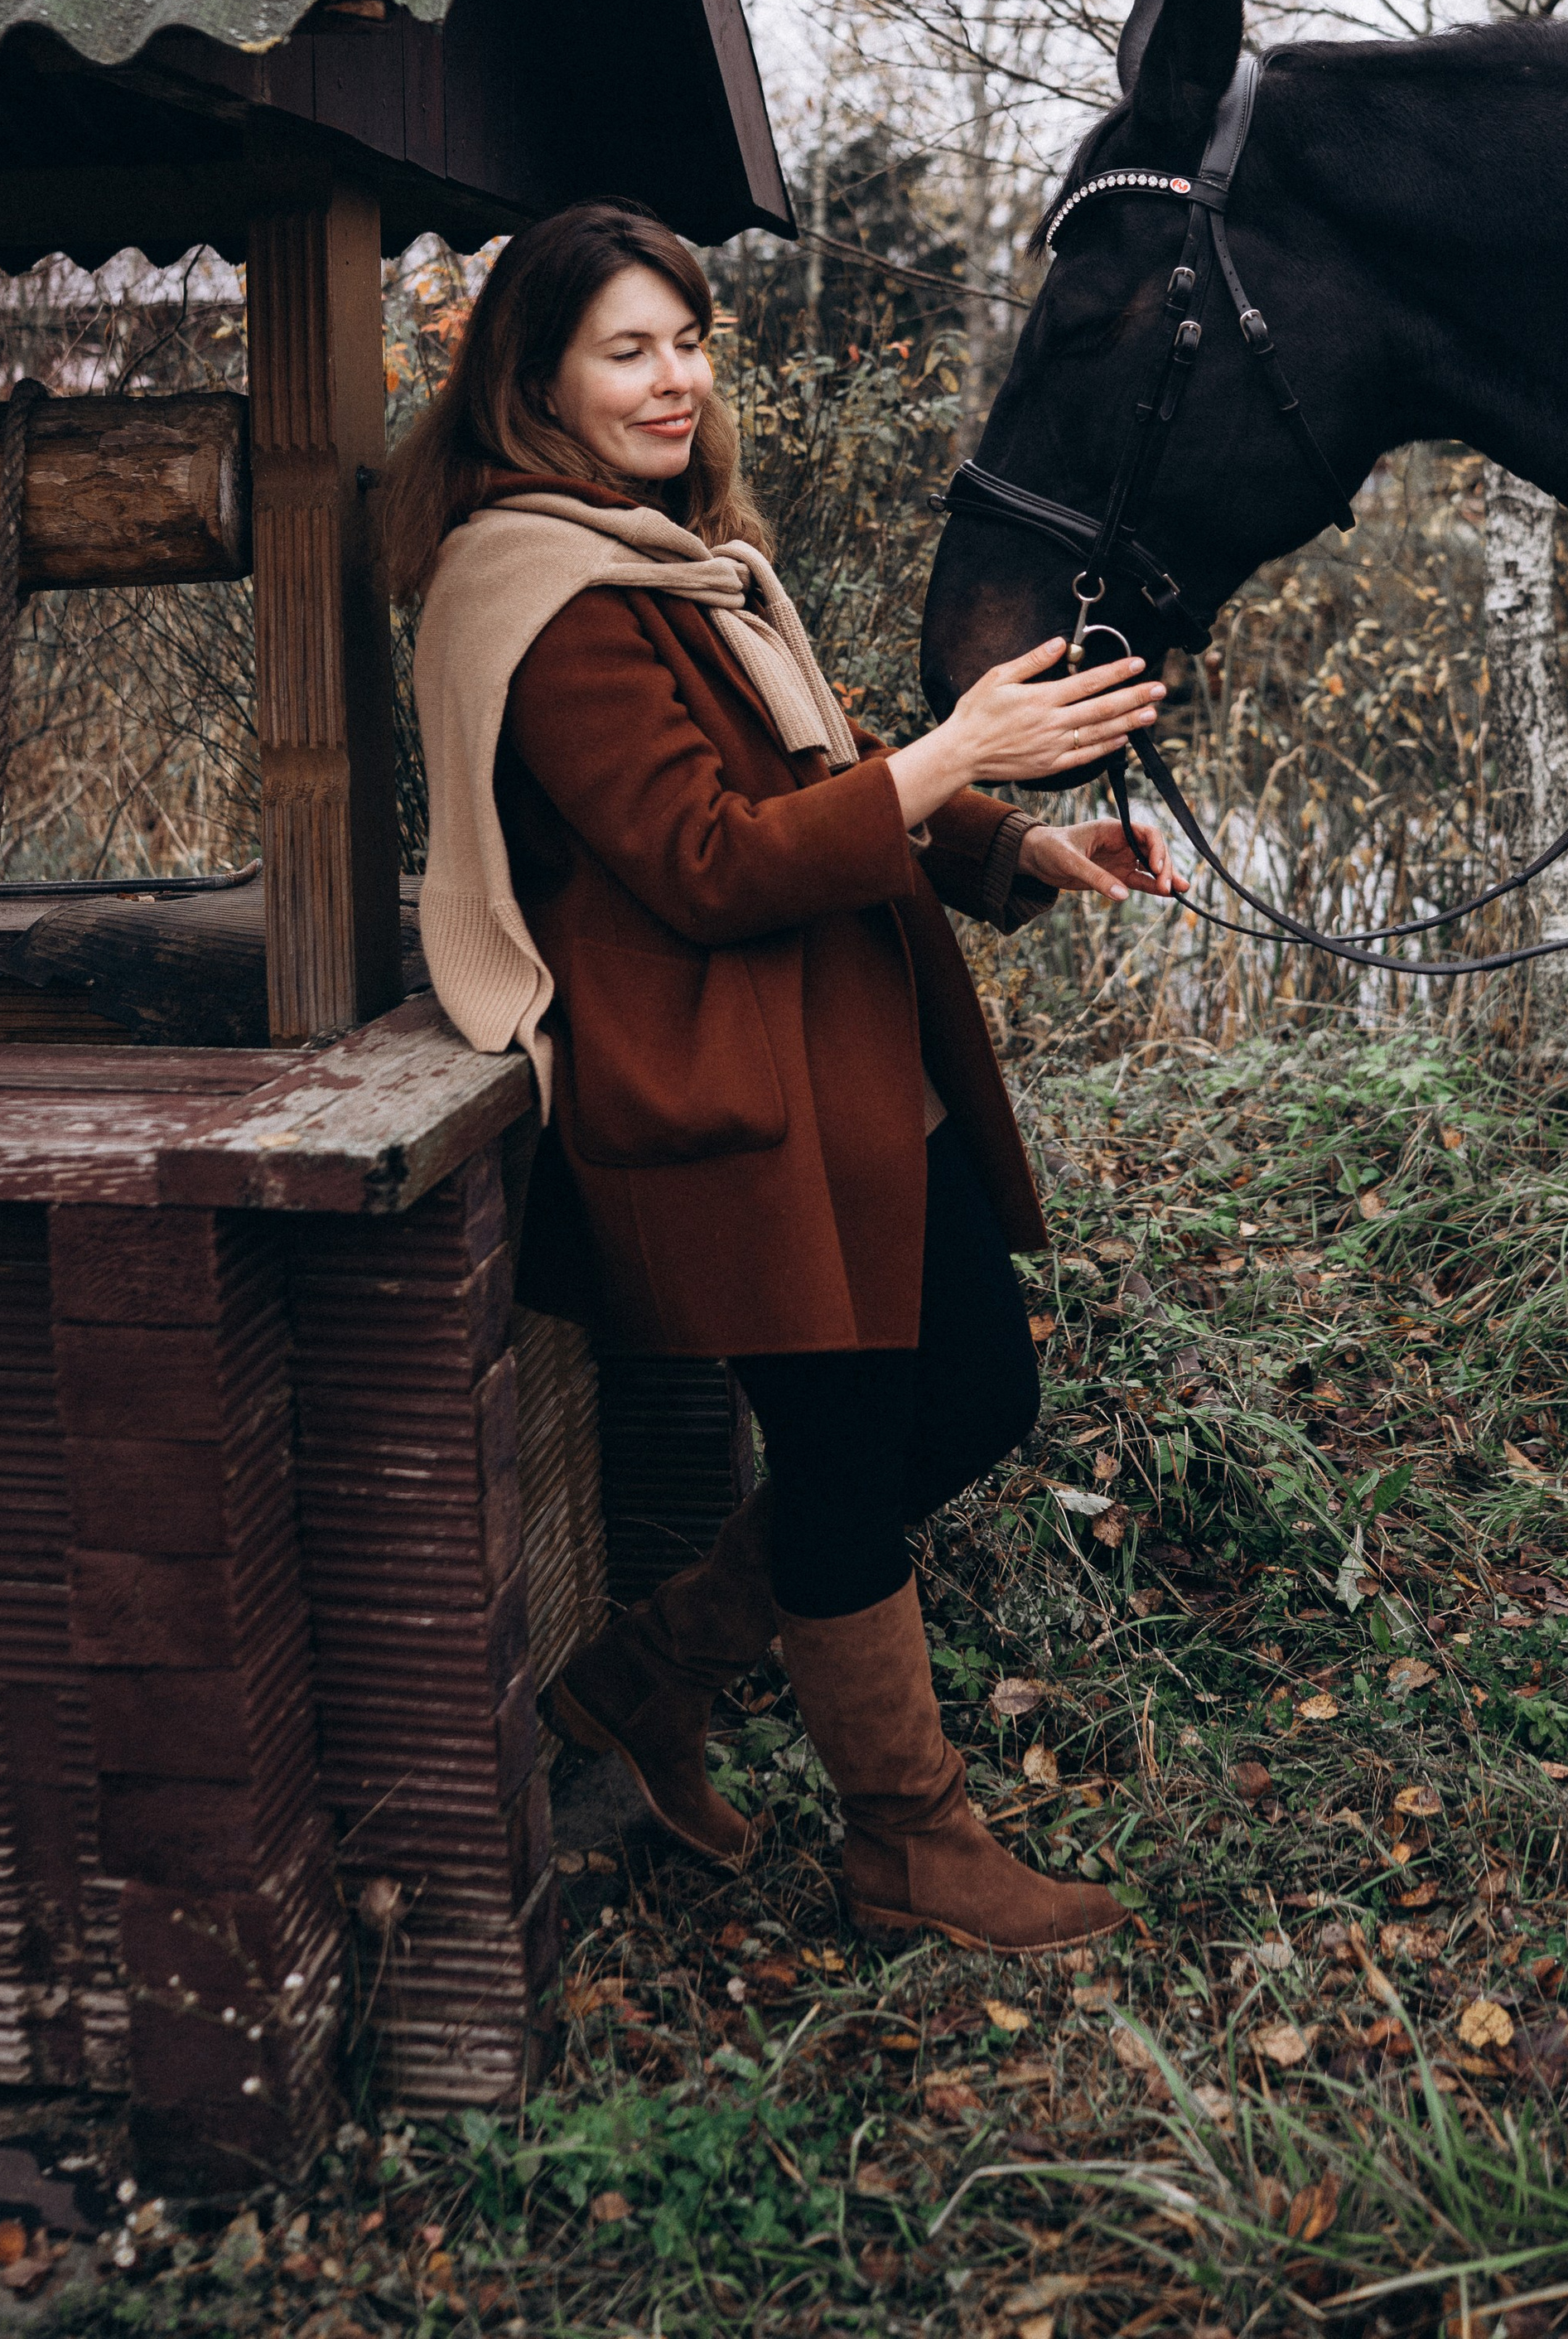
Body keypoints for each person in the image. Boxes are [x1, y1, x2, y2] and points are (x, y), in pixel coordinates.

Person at [384, 198, 1179, 1955]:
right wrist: (962, 750)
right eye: (627, 349)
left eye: (688, 341)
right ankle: (909, 1841)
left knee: (971, 1400)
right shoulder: (541, 593)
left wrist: (1017, 850)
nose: (673, 380)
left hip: (848, 1057)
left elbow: (823, 768)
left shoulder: (683, 555)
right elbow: (703, 859)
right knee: (837, 1454)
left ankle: (644, 1678)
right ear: (534, 375)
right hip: (725, 1092)